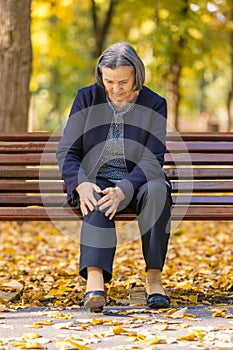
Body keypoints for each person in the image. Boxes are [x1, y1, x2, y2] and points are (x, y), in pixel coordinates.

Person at [56, 42, 172, 312]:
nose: (115, 89)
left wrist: (124, 188)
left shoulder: (155, 104)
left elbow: (153, 158)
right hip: (96, 178)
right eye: (109, 81)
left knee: (158, 191)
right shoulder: (87, 98)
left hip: (139, 179)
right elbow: (67, 151)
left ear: (137, 76)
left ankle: (154, 279)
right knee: (95, 195)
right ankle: (94, 281)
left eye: (123, 81)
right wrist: (80, 183)